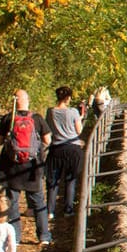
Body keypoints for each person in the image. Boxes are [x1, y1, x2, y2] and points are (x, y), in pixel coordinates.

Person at [0, 89, 52, 244]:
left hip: (11, 168)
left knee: (12, 203)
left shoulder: (9, 119)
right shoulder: (37, 118)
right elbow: (48, 140)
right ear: (27, 100)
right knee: (38, 202)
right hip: (32, 168)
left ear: (14, 101)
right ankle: (44, 236)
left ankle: (15, 238)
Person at [44, 85, 84, 221]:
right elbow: (79, 131)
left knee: (53, 180)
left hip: (56, 149)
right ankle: (68, 209)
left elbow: (48, 128)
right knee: (70, 180)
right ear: (68, 98)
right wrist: (81, 117)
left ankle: (50, 210)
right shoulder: (73, 112)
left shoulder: (50, 112)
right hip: (72, 149)